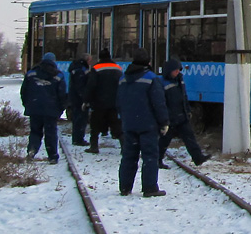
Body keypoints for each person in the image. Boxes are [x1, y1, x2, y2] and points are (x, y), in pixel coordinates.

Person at [116, 48, 169, 197]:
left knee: (128, 156)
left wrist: (123, 117)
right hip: (148, 125)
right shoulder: (152, 78)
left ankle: (125, 187)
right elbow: (159, 103)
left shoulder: (123, 79)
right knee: (150, 156)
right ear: (148, 61)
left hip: (129, 124)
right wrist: (164, 122)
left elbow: (119, 101)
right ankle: (150, 188)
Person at [157, 59, 209, 169]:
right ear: (169, 71)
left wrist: (187, 110)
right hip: (170, 117)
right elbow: (161, 101)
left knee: (189, 137)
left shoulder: (179, 80)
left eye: (178, 70)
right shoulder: (162, 82)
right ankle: (157, 160)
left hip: (181, 115)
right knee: (164, 140)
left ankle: (198, 157)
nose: (177, 73)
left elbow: (183, 96)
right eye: (175, 71)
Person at [21, 52, 68, 164]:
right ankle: (52, 156)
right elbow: (62, 94)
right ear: (54, 61)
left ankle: (32, 150)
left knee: (35, 131)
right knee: (51, 132)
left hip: (34, 108)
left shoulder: (31, 73)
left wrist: (28, 104)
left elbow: (24, 91)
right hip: (51, 109)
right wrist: (61, 108)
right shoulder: (58, 75)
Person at [84, 48, 123, 154]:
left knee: (95, 126)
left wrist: (86, 100)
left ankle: (94, 146)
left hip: (99, 103)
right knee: (117, 126)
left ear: (100, 57)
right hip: (114, 103)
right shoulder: (118, 68)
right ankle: (124, 147)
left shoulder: (96, 68)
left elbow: (91, 86)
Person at [66, 55, 91, 146]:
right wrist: (85, 98)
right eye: (90, 61)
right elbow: (80, 86)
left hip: (75, 98)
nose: (90, 63)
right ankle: (78, 139)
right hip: (79, 100)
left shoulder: (77, 69)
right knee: (80, 119)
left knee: (79, 119)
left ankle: (78, 138)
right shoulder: (80, 70)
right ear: (86, 60)